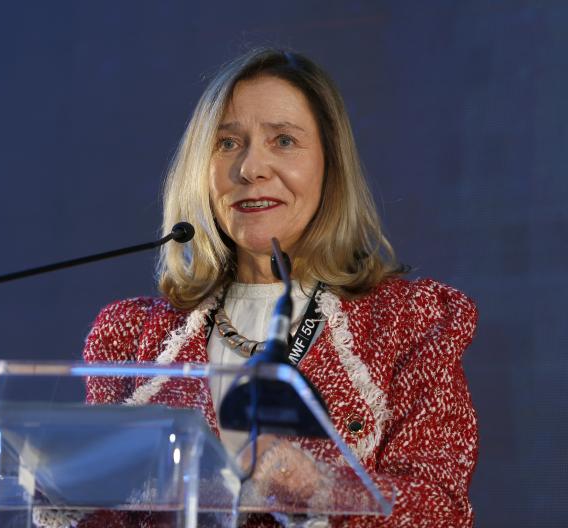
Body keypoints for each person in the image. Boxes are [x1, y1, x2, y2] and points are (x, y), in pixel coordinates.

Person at [73, 48, 478, 527]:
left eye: (283, 141)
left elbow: (440, 509)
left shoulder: (410, 322)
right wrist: (61, 493)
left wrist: (322, 489)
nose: (250, 168)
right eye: (227, 144)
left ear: (330, 167)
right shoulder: (129, 336)